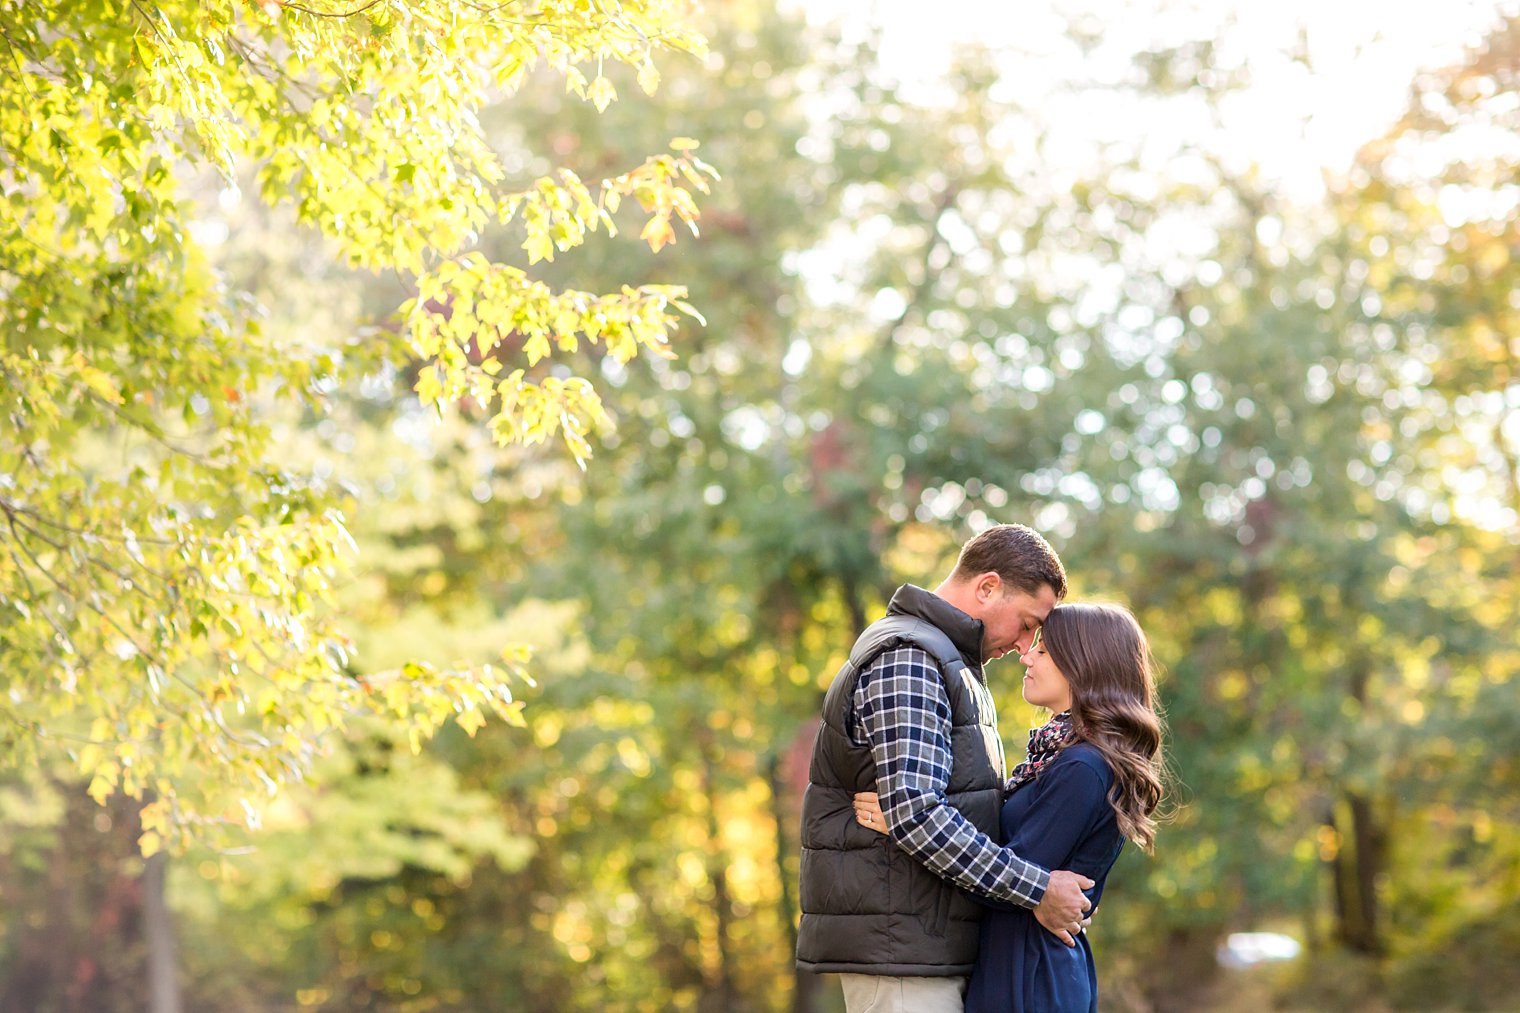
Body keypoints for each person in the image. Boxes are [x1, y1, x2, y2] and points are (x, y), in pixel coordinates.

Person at [796, 524, 1097, 1013]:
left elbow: (924, 809)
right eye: (1026, 623)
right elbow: (917, 813)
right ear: (987, 587)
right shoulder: (911, 659)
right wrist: (1037, 888)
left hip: (927, 946)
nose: (1025, 646)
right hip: (901, 955)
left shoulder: (948, 661)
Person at [853, 602, 1167, 1013]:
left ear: (1084, 664)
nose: (1026, 656)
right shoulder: (1060, 757)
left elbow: (1011, 882)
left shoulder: (1082, 767)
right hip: (1017, 964)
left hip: (1030, 976)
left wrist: (909, 823)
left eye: (1044, 650)